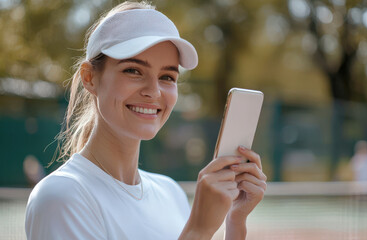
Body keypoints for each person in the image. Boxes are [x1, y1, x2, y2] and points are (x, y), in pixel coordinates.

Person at [25, 1, 267, 239]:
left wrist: (235, 222)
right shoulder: (61, 197)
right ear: (90, 78)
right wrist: (198, 230)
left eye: (167, 76)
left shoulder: (171, 193)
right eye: (133, 70)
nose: (154, 91)